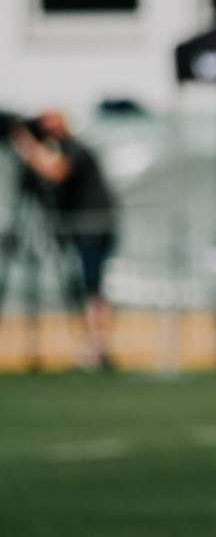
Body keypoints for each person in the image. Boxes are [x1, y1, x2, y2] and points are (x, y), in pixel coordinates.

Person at [8, 110, 118, 370]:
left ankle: (96, 347)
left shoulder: (75, 149)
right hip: (83, 227)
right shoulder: (59, 150)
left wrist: (25, 144)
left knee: (93, 288)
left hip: (93, 227)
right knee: (90, 288)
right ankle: (94, 346)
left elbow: (56, 172)